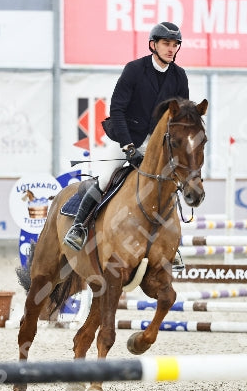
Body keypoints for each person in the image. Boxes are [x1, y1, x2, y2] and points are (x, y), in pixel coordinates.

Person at [64, 21, 190, 271]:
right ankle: (79, 227)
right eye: (166, 43)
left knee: (169, 185)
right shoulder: (134, 70)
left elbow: (181, 114)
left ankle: (173, 247)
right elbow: (117, 109)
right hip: (128, 138)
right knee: (105, 179)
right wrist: (128, 146)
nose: (171, 49)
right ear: (153, 45)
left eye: (175, 45)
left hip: (158, 143)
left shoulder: (179, 76)